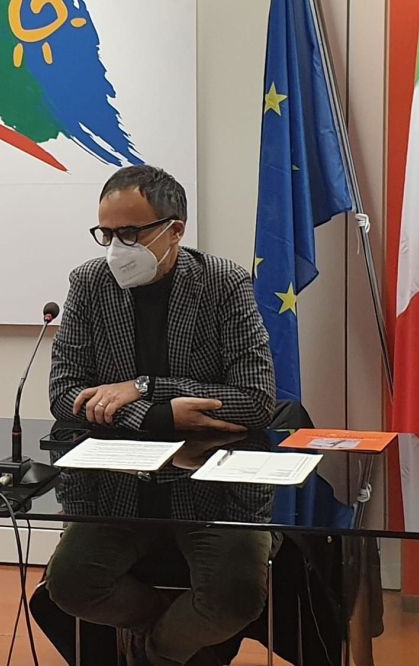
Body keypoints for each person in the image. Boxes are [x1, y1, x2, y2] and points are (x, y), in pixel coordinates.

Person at [44, 165, 277, 665]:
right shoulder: (89, 283)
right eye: (107, 234)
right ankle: (159, 629)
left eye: (130, 233)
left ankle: (152, 654)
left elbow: (256, 400)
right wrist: (156, 416)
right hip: (117, 487)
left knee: (234, 599)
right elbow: (65, 396)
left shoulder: (223, 282)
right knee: (70, 586)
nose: (116, 248)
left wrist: (146, 387)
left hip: (215, 490)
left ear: (175, 230)